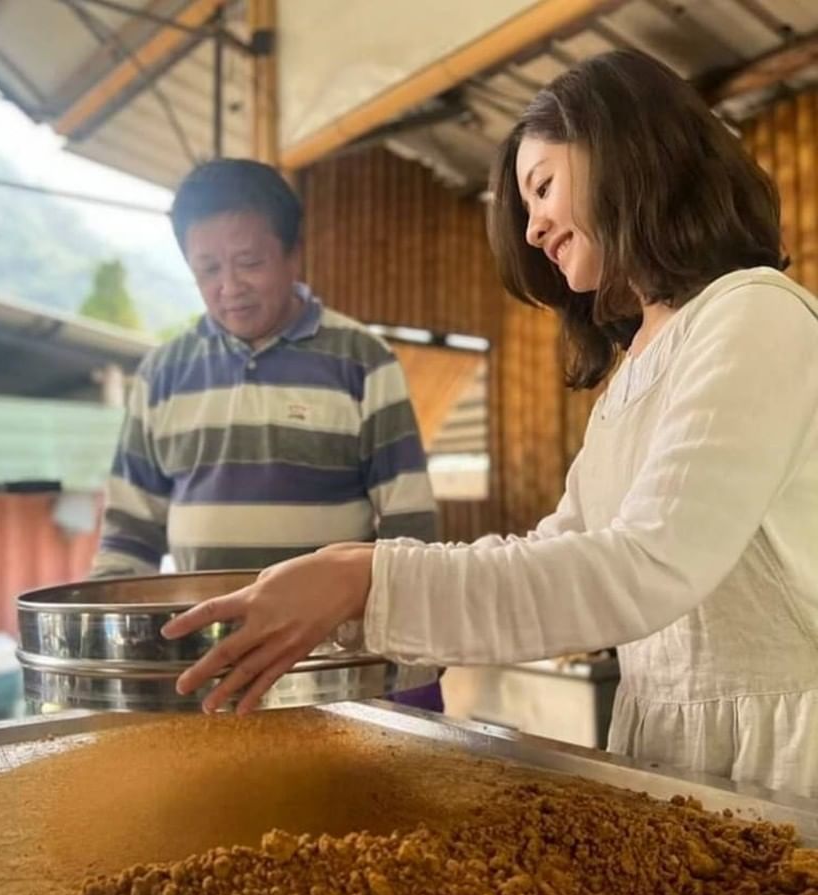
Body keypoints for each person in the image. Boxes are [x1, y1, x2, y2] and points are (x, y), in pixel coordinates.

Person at [163, 50, 818, 799]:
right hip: (669, 744)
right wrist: (366, 589)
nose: (535, 228)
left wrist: (366, 578)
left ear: (630, 155)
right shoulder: (633, 370)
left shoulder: (754, 313)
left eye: (542, 187)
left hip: (785, 755)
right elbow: (562, 552)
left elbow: (647, 567)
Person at [92, 159, 441, 699]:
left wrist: (415, 660)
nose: (230, 287)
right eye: (207, 269)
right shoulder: (163, 373)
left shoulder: (362, 360)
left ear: (293, 254)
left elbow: (409, 527)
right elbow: (128, 533)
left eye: (249, 262)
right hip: (212, 668)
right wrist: (103, 649)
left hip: (330, 667)